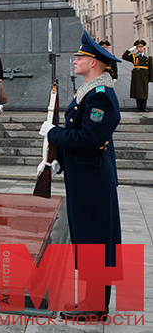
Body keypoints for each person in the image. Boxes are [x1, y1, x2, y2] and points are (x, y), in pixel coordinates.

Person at [40, 31, 121, 320]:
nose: (75, 61)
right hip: (83, 175)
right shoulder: (88, 91)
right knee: (87, 238)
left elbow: (88, 137)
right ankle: (91, 299)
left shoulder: (101, 96)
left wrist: (55, 135)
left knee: (96, 239)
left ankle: (96, 305)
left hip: (92, 179)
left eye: (81, 57)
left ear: (95, 63)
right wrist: (58, 159)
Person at [121, 40, 150, 112]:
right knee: (138, 91)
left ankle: (144, 107)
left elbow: (151, 68)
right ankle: (139, 107)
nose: (140, 48)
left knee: (144, 92)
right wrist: (130, 49)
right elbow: (124, 57)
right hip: (137, 75)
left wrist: (150, 78)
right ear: (137, 48)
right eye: (138, 47)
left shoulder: (148, 57)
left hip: (145, 75)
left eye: (141, 47)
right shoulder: (134, 56)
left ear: (144, 48)